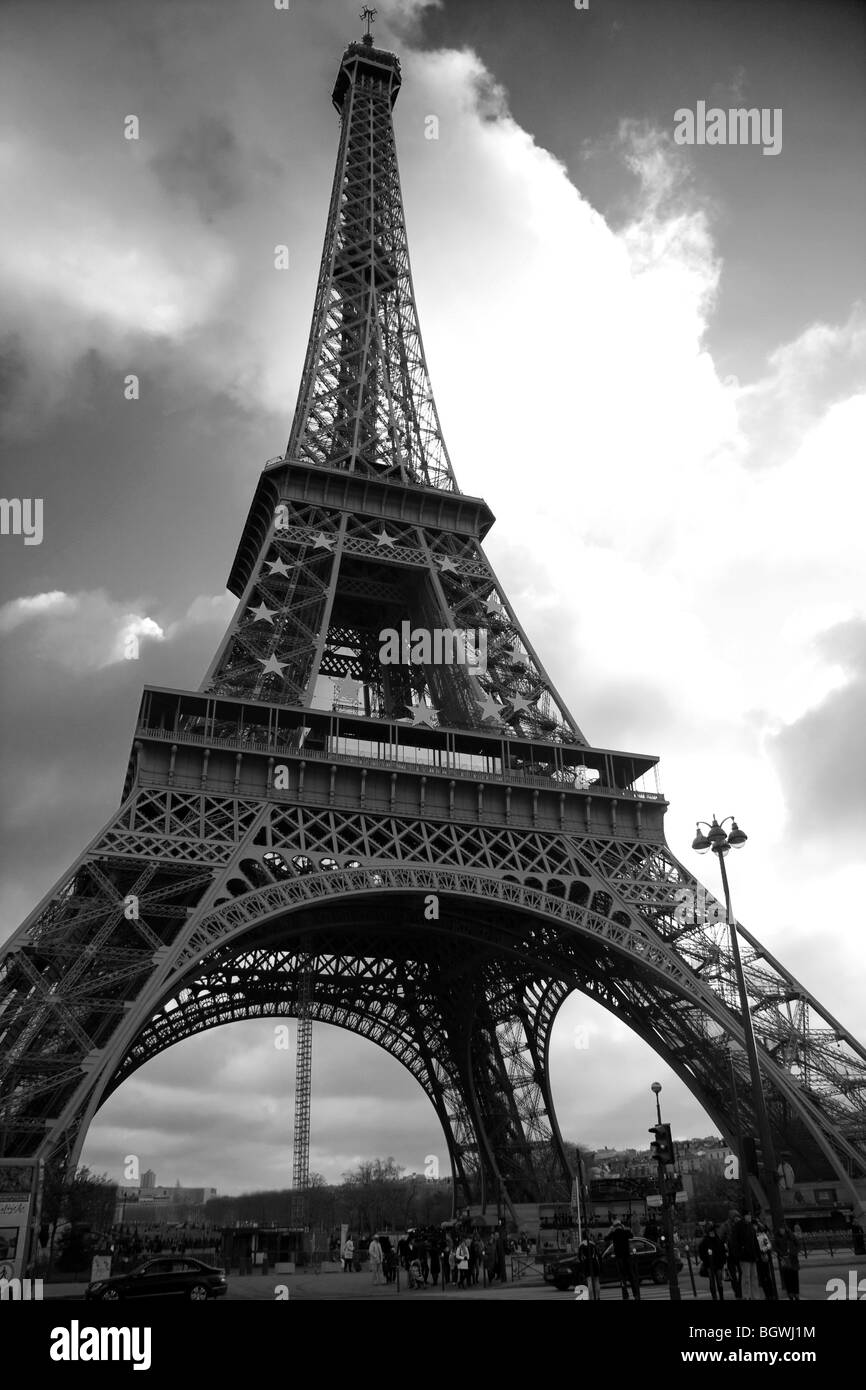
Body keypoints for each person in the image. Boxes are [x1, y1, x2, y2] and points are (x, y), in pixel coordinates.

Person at [608, 1220, 640, 1300]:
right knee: (631, 1277)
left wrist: (610, 1230)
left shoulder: (614, 1234)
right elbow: (632, 1236)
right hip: (627, 1257)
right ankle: (635, 1294)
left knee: (622, 1278)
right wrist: (625, 1228)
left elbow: (606, 1238)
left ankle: (625, 1295)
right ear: (621, 1225)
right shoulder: (626, 1232)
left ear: (614, 1227)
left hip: (619, 1258)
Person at [698, 1222, 727, 1301]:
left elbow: (722, 1251)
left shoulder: (717, 1239)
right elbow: (701, 1252)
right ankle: (715, 1297)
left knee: (719, 1282)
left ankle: (721, 1297)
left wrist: (722, 1261)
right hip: (710, 1264)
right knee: (712, 1282)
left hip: (718, 1264)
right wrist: (706, 1260)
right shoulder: (706, 1241)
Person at [774, 1227, 800, 1301]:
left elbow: (798, 1245)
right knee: (787, 1277)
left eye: (783, 1229)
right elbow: (775, 1247)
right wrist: (781, 1254)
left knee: (795, 1277)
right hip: (784, 1259)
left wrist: (794, 1252)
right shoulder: (777, 1238)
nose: (781, 1230)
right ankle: (790, 1293)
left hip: (793, 1258)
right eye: (780, 1229)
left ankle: (796, 1293)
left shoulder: (791, 1237)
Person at [756, 1221, 778, 1300]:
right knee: (762, 1278)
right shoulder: (753, 1235)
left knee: (767, 1277)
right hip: (757, 1259)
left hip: (763, 1257)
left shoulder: (762, 1235)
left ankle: (771, 1294)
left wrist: (763, 1250)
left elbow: (769, 1245)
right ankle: (767, 1294)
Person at [577, 1233, 602, 1301]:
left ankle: (591, 1298)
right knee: (597, 1281)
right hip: (594, 1262)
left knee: (589, 1281)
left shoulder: (581, 1245)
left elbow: (579, 1257)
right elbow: (598, 1255)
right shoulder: (593, 1243)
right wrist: (599, 1264)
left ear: (582, 1237)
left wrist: (582, 1264)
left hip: (587, 1263)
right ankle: (598, 1297)